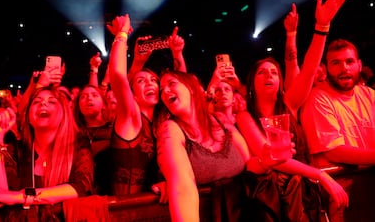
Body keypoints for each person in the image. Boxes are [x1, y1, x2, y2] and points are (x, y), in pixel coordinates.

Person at [235, 0, 349, 221]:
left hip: (305, 196)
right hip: (272, 204)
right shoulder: (244, 116)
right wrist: (320, 175)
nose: (269, 76)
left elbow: (307, 70)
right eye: (262, 72)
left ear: (280, 82)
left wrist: (322, 27)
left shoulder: (289, 103)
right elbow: (272, 158)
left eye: (274, 73)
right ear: (251, 83)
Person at [154, 69, 288, 221]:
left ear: (191, 88)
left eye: (171, 83)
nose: (165, 91)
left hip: (249, 211)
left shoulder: (220, 120)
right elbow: (183, 189)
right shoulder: (170, 129)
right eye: (161, 89)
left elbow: (248, 165)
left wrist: (265, 162)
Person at [0, 86, 94, 221]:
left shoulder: (78, 146)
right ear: (28, 117)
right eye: (36, 102)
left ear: (64, 113)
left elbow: (81, 188)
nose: (43, 103)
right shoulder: (17, 149)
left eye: (52, 102)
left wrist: (21, 196)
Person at [106, 14, 186, 196]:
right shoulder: (131, 117)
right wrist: (122, 32)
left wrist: (177, 53)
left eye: (153, 80)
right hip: (126, 213)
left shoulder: (161, 122)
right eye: (141, 81)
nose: (150, 83)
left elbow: (183, 87)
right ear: (131, 92)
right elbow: (118, 75)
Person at [300, 38, 375, 221]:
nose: (344, 68)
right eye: (336, 63)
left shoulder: (369, 95)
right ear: (326, 68)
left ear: (359, 65)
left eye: (349, 62)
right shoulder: (318, 98)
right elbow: (334, 152)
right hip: (342, 186)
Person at [73, 84, 113, 195]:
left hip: (111, 193)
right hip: (82, 195)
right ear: (78, 106)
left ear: (104, 104)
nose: (89, 98)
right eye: (83, 96)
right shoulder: (74, 134)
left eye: (94, 95)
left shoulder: (114, 130)